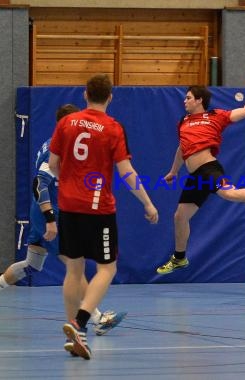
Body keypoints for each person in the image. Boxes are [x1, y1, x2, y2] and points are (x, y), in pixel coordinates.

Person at [0, 104, 126, 338]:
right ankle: (96, 318)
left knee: (32, 264)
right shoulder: (56, 148)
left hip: (44, 210)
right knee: (74, 265)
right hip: (50, 212)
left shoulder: (54, 142)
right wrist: (50, 219)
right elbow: (39, 183)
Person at [49, 74, 159, 360]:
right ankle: (80, 322)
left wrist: (69, 186)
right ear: (110, 97)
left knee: (73, 270)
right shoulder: (113, 128)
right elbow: (126, 172)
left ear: (85, 94)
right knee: (106, 269)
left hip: (68, 205)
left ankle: (77, 336)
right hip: (98, 209)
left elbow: (53, 165)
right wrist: (148, 203)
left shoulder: (66, 123)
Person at [156, 74, 245, 275]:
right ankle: (179, 258)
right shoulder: (183, 121)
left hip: (209, 169)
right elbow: (182, 148)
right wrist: (174, 171)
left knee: (229, 194)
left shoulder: (216, 116)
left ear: (199, 100)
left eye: (189, 97)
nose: (185, 101)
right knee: (180, 217)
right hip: (194, 177)